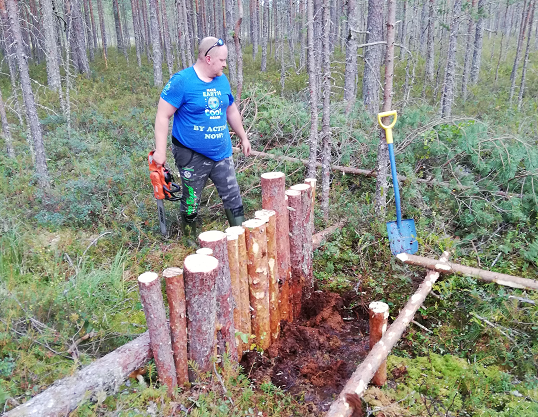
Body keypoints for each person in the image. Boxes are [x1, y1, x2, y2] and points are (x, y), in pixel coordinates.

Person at [153, 37, 251, 241]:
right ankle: (189, 241)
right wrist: (160, 151)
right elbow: (162, 115)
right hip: (191, 155)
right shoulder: (182, 81)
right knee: (191, 201)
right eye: (222, 60)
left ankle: (240, 239)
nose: (225, 64)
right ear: (208, 59)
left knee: (233, 197)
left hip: (221, 152)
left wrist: (243, 136)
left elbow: (231, 109)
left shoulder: (221, 80)